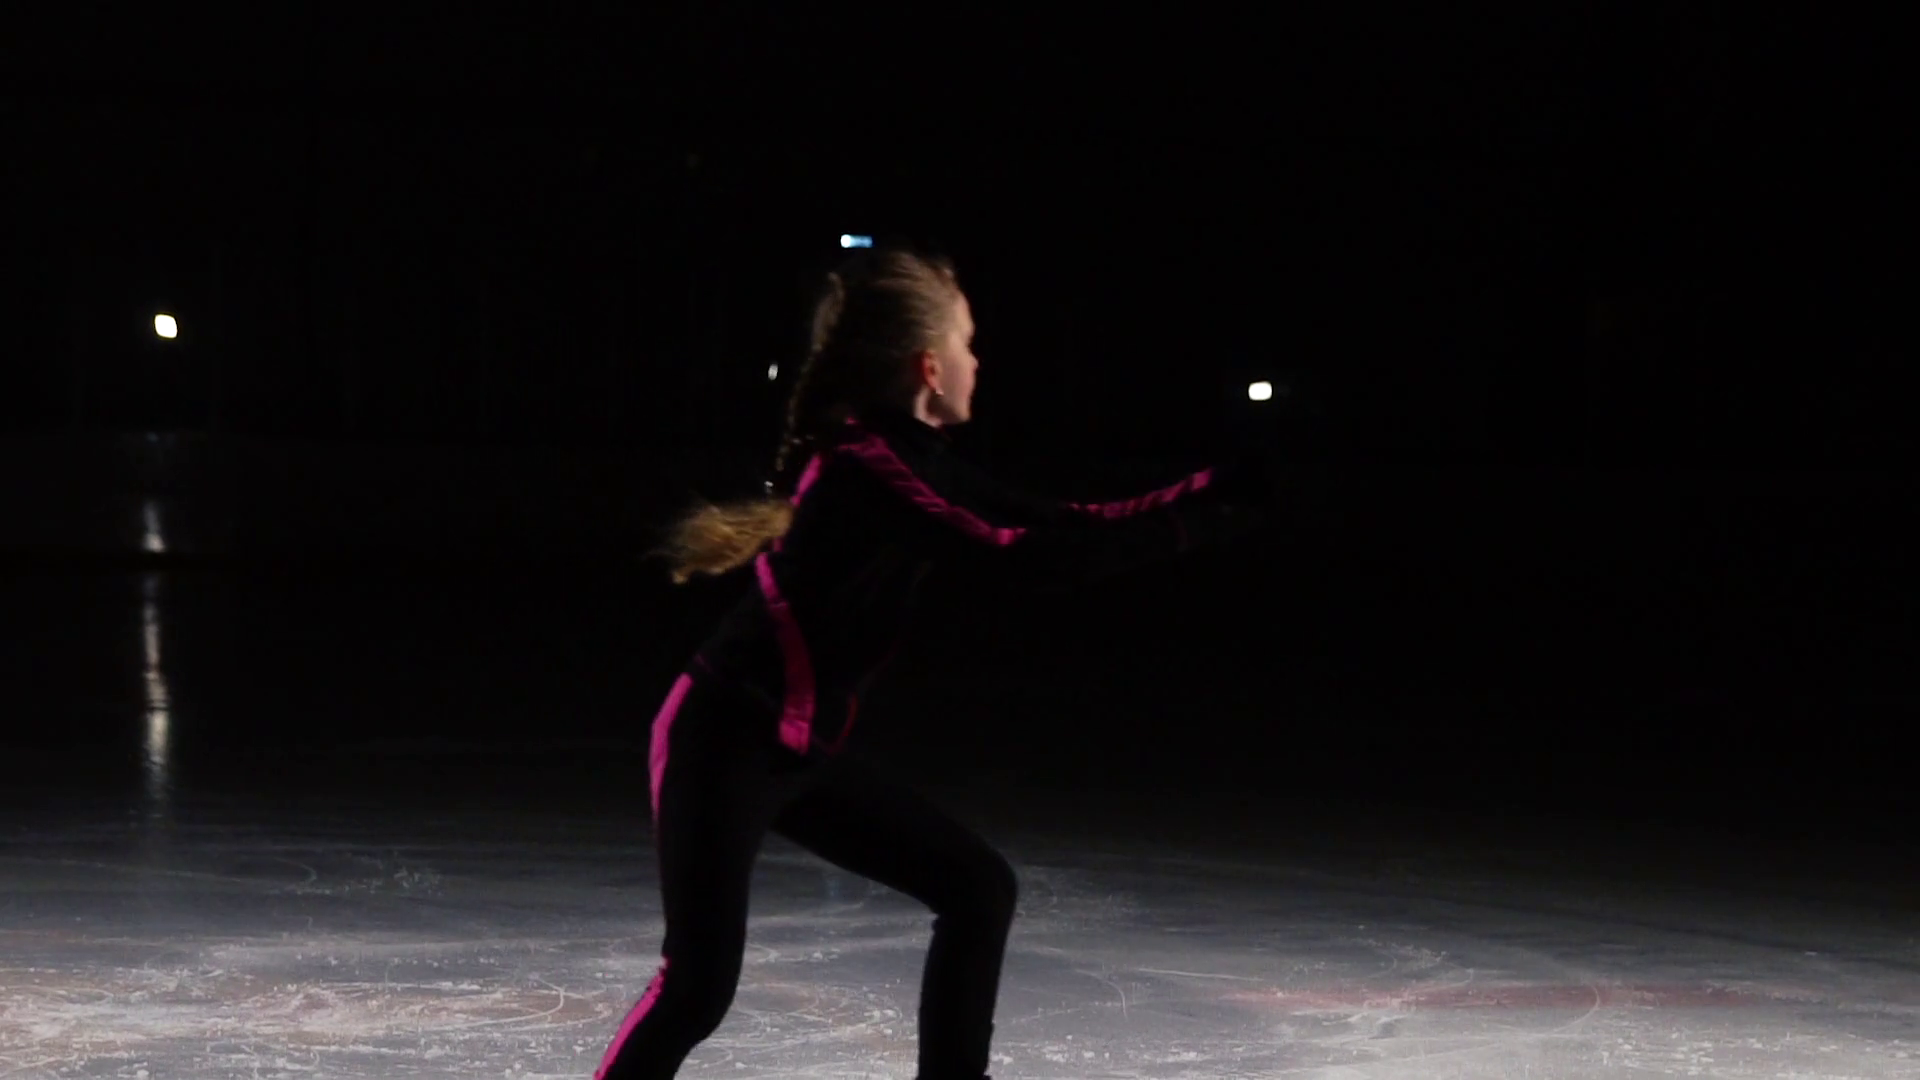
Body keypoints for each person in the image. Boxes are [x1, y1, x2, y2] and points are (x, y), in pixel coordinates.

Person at [597, 247, 1277, 1080]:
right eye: (969, 342)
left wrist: (1207, 491)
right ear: (929, 366)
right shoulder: (863, 466)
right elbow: (1013, 555)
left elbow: (1066, 518)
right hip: (724, 740)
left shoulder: (913, 459)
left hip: (798, 751)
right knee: (699, 987)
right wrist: (1193, 528)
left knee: (977, 889)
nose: (978, 360)